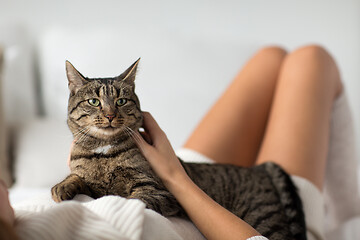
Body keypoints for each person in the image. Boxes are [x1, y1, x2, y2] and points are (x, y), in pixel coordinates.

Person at [0, 45, 343, 240]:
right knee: (312, 59)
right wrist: (173, 174)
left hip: (189, 169)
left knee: (271, 57)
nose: (3, 185)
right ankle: (348, 211)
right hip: (253, 210)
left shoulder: (27, 216)